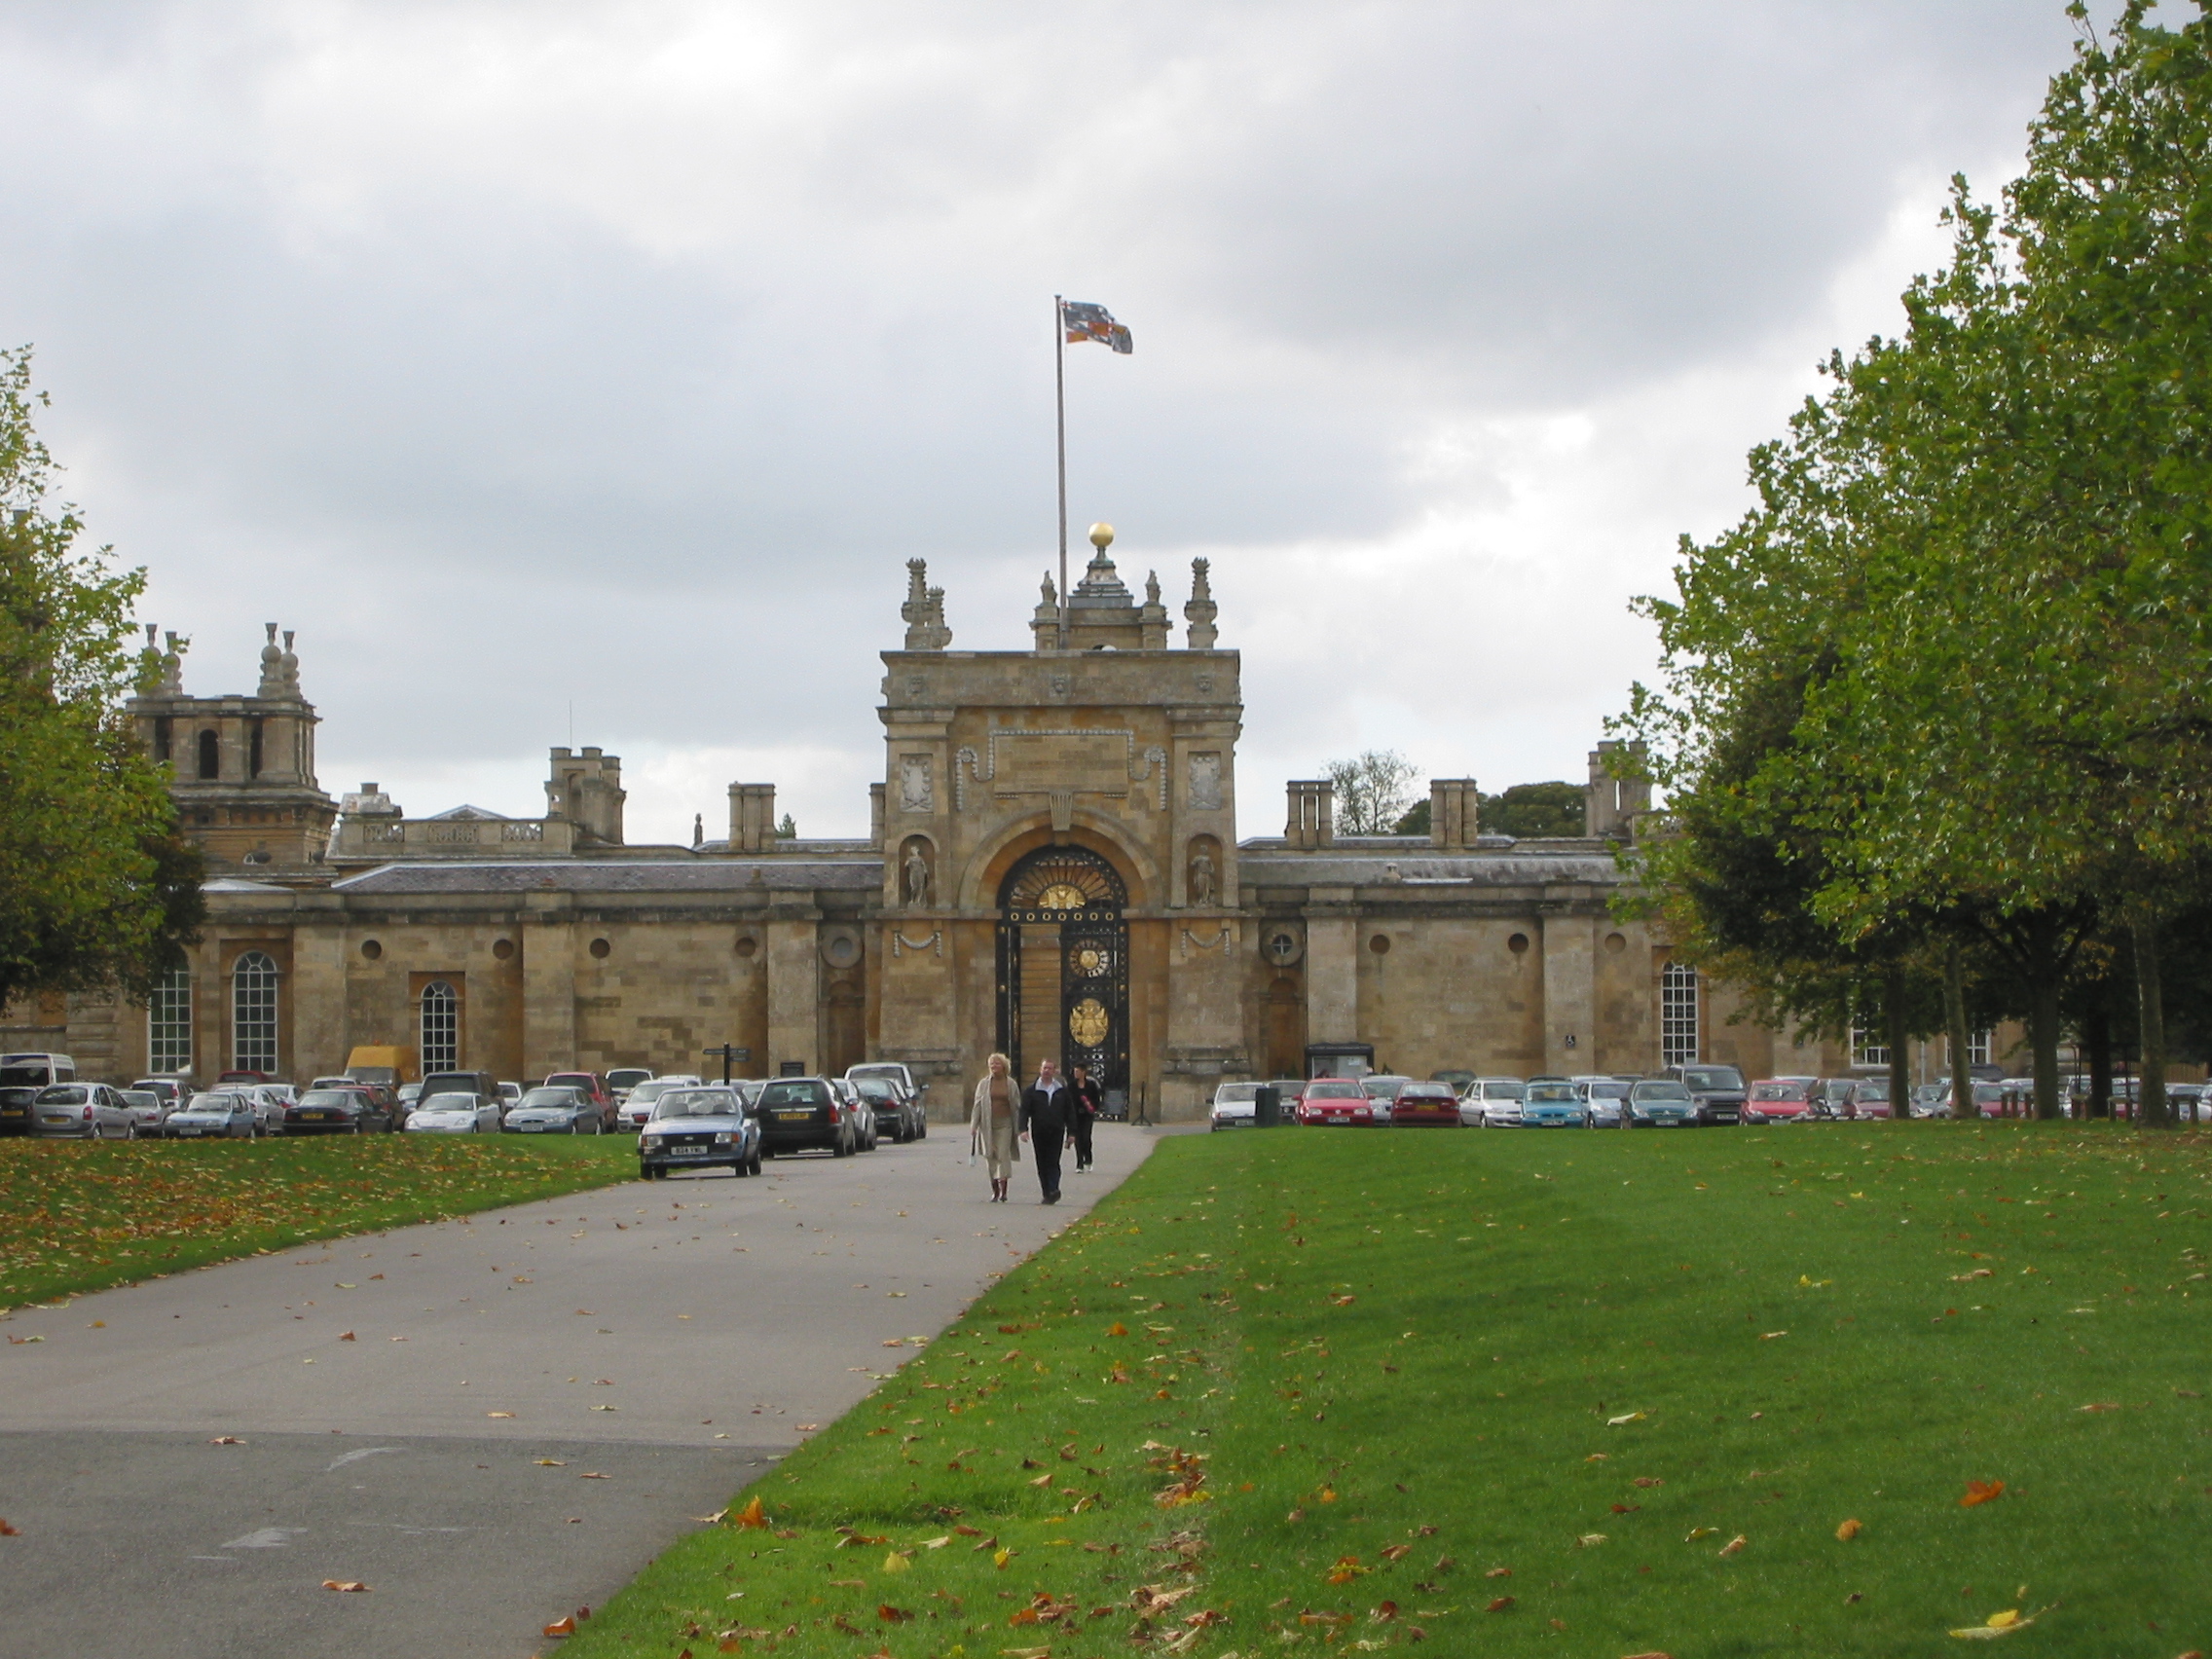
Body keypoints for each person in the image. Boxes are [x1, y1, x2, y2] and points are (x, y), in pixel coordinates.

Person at [1019, 1058, 1074, 1205]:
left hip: (1057, 1130)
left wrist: (1072, 1133)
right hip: (1039, 1131)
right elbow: (1024, 1111)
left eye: (1050, 1068)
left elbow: (1069, 1113)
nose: (1047, 1071)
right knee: (1042, 1163)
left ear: (1054, 1071)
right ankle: (1047, 1192)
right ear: (1040, 1070)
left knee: (1054, 1161)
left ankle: (1054, 1189)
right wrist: (1023, 1129)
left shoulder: (1061, 1091)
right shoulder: (1032, 1091)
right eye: (1044, 1068)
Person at [968, 1052, 1020, 1202]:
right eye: (991, 1063)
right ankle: (995, 1191)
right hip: (987, 1124)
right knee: (990, 1156)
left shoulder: (1011, 1084)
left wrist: (1020, 1126)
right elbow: (977, 1106)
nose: (994, 1066)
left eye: (997, 1063)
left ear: (1004, 1066)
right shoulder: (983, 1084)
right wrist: (974, 1125)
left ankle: (1004, 1191)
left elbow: (1017, 1105)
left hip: (1005, 1124)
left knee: (1003, 1155)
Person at [1069, 1061, 1103, 1172]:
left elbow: (1096, 1099)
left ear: (1084, 1072)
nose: (1076, 1074)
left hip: (1087, 1115)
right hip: (1075, 1115)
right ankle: (1079, 1163)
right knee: (1077, 1139)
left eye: (1078, 1071)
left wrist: (1092, 1107)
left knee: (1086, 1137)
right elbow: (1068, 1100)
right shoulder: (1071, 1085)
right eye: (1075, 1071)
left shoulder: (1091, 1085)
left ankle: (1088, 1159)